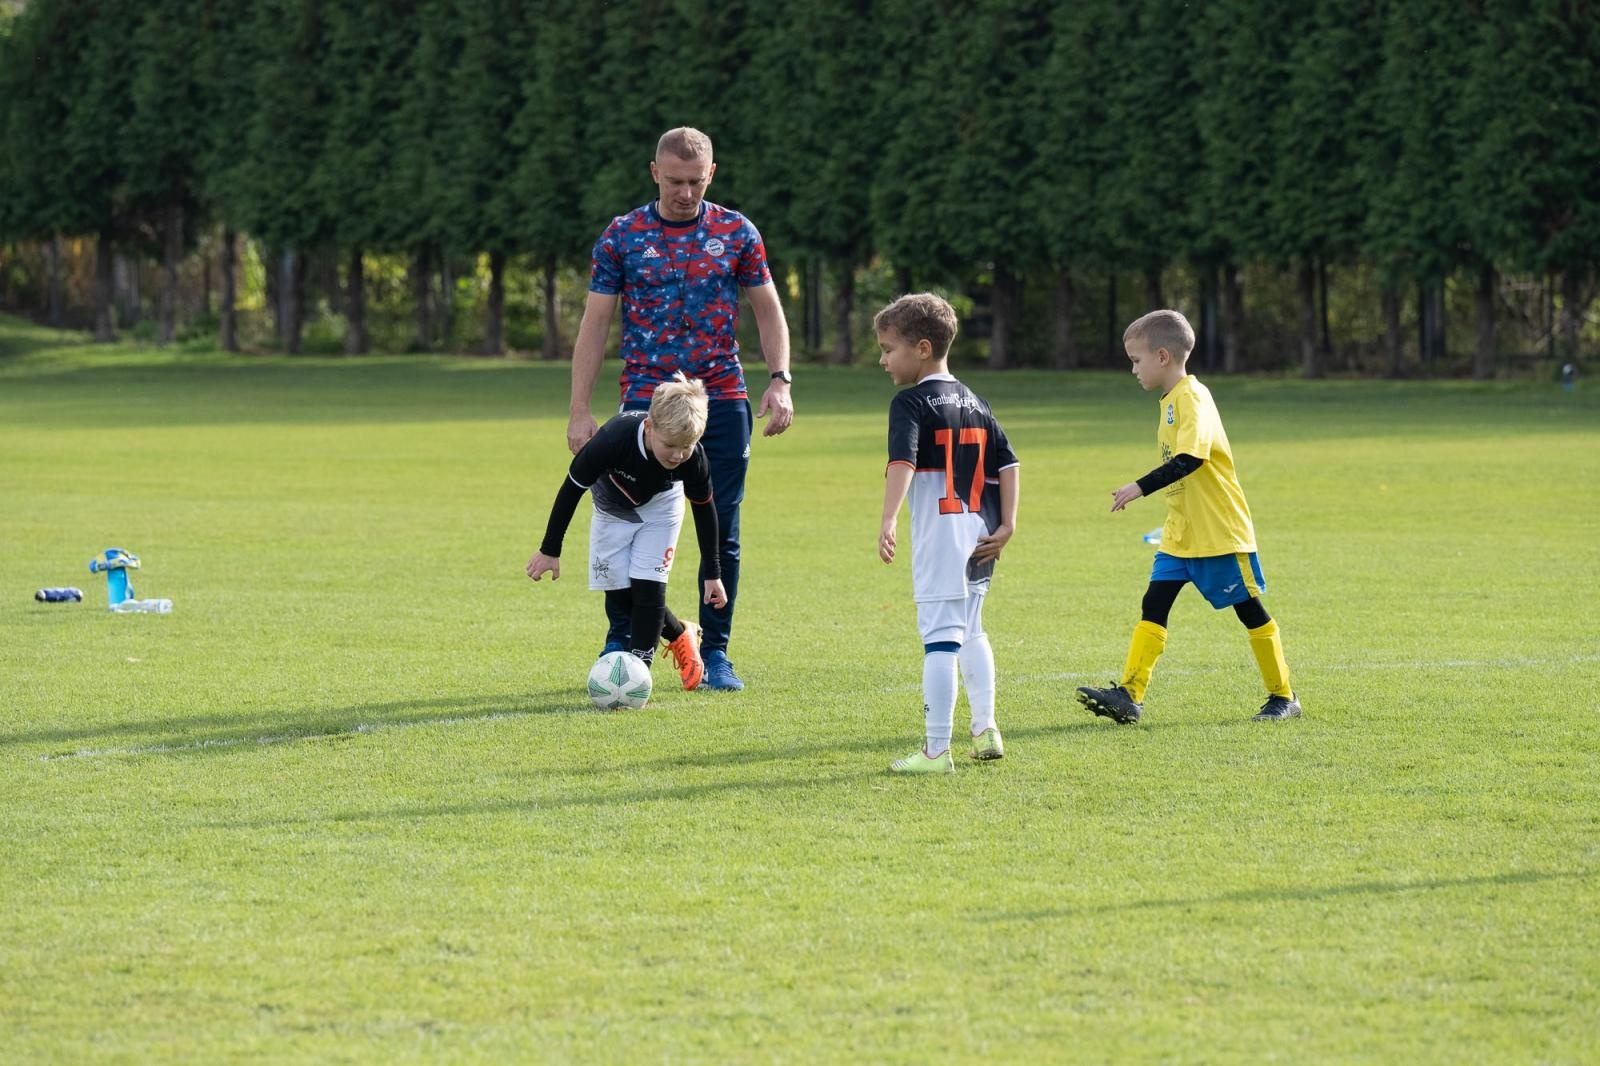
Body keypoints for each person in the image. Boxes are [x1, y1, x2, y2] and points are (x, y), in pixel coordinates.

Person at [566, 126, 792, 691]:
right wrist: (579, 408)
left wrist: (781, 381)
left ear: (710, 175)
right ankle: (623, 641)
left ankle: (716, 652)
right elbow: (595, 324)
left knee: (724, 526)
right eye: (674, 181)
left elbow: (768, 309)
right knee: (622, 520)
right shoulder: (622, 235)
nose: (685, 192)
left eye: (695, 181)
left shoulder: (736, 232)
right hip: (644, 397)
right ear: (654, 173)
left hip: (722, 398)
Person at [1075, 309, 1302, 723]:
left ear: (1162, 356)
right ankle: (1130, 695)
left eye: (1136, 360)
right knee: (1154, 603)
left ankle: (1283, 696)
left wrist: (1137, 487)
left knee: (1248, 608)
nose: (1132, 369)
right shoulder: (1169, 402)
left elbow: (1191, 458)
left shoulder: (1192, 398)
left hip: (1218, 532)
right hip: (1180, 534)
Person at [875, 294, 1020, 774]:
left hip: (942, 538)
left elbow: (903, 462)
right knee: (973, 630)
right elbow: (1010, 462)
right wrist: (1009, 523)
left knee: (940, 641)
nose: (882, 360)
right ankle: (986, 728)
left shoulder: (911, 401)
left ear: (921, 348)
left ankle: (937, 751)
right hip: (982, 536)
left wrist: (889, 518)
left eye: (888, 348)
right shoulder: (976, 401)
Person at [527, 374, 727, 692]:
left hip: (661, 511)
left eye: (686, 447)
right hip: (612, 510)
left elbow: (704, 510)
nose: (677, 455)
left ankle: (636, 677)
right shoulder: (612, 439)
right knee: (619, 592)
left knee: (649, 589)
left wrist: (712, 573)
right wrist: (550, 549)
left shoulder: (694, 459)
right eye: (670, 445)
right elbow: (571, 489)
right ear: (649, 427)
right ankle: (678, 633)